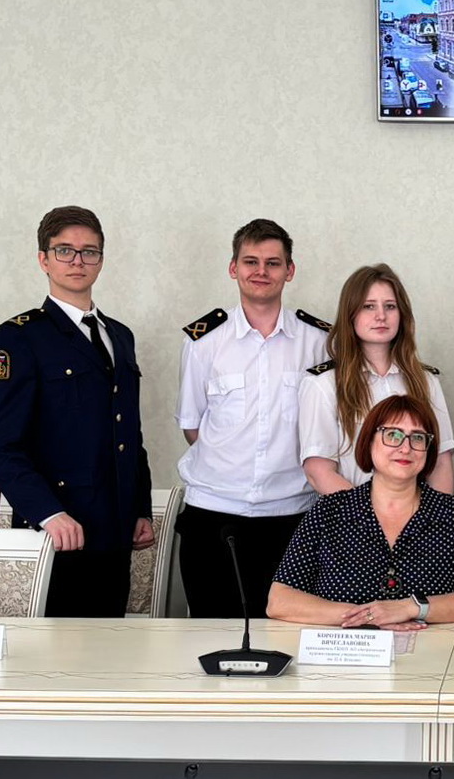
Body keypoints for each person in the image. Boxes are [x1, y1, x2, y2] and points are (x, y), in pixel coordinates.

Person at [0, 206, 153, 618]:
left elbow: (129, 433)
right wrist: (47, 512)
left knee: (110, 647)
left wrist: (140, 508)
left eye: (89, 251)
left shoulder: (120, 336)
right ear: (44, 259)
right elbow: (0, 444)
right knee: (53, 651)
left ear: (101, 260)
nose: (78, 261)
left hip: (115, 530)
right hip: (56, 531)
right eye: (65, 251)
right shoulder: (20, 336)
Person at [174, 219, 331, 618]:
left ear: (289, 271)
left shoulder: (319, 342)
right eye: (251, 261)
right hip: (213, 516)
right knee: (211, 635)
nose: (261, 271)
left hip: (292, 517)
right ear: (233, 268)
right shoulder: (204, 340)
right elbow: (193, 426)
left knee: (287, 637)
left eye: (273, 263)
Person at [268, 394, 454, 627]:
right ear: (369, 442)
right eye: (393, 435)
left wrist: (410, 608)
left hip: (429, 647)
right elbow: (280, 600)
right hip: (347, 647)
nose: (405, 448)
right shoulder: (329, 512)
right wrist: (370, 617)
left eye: (417, 438)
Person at [299, 264, 454, 496]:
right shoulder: (323, 385)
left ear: (402, 315)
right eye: (368, 306)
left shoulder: (425, 381)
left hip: (419, 514)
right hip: (352, 514)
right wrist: (372, 515)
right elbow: (318, 471)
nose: (381, 316)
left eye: (390, 306)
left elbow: (440, 463)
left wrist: (434, 516)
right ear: (350, 314)